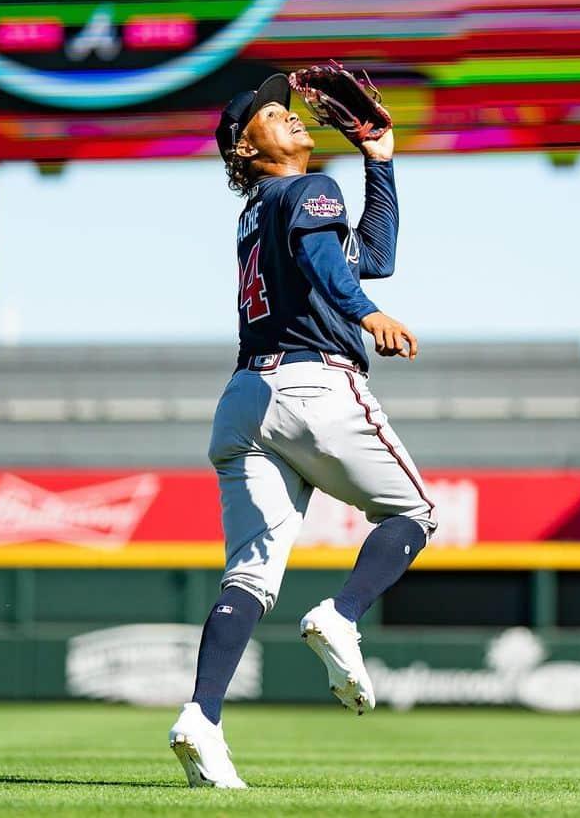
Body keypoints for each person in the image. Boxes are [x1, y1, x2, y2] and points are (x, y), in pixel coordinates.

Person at [169, 72, 436, 789]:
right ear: (244, 152)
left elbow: (367, 254)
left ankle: (202, 714)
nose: (288, 114)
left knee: (251, 573)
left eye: (286, 108)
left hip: (243, 400)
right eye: (268, 114)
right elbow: (338, 268)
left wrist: (380, 161)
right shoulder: (309, 190)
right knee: (413, 511)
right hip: (315, 385)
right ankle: (343, 614)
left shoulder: (259, 210)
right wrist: (368, 312)